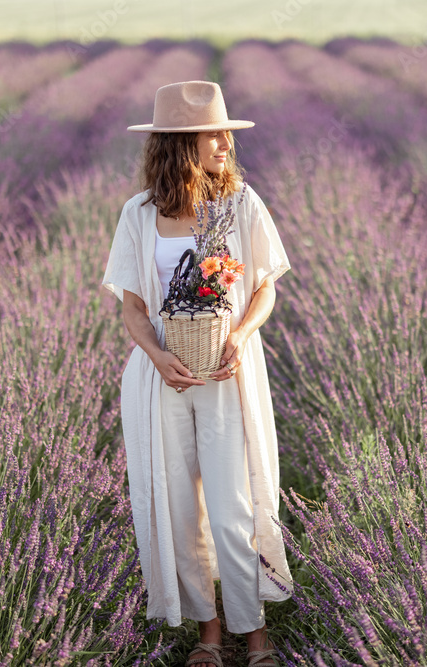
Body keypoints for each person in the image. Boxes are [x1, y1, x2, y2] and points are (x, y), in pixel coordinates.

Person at [101, 81, 293, 667]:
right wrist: (158, 357)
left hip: (227, 375)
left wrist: (238, 334)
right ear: (182, 144)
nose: (226, 141)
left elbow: (265, 287)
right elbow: (132, 306)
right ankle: (209, 634)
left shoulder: (241, 204)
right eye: (214, 132)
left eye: (226, 130)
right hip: (162, 379)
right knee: (180, 508)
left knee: (233, 507)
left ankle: (253, 634)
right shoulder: (139, 215)